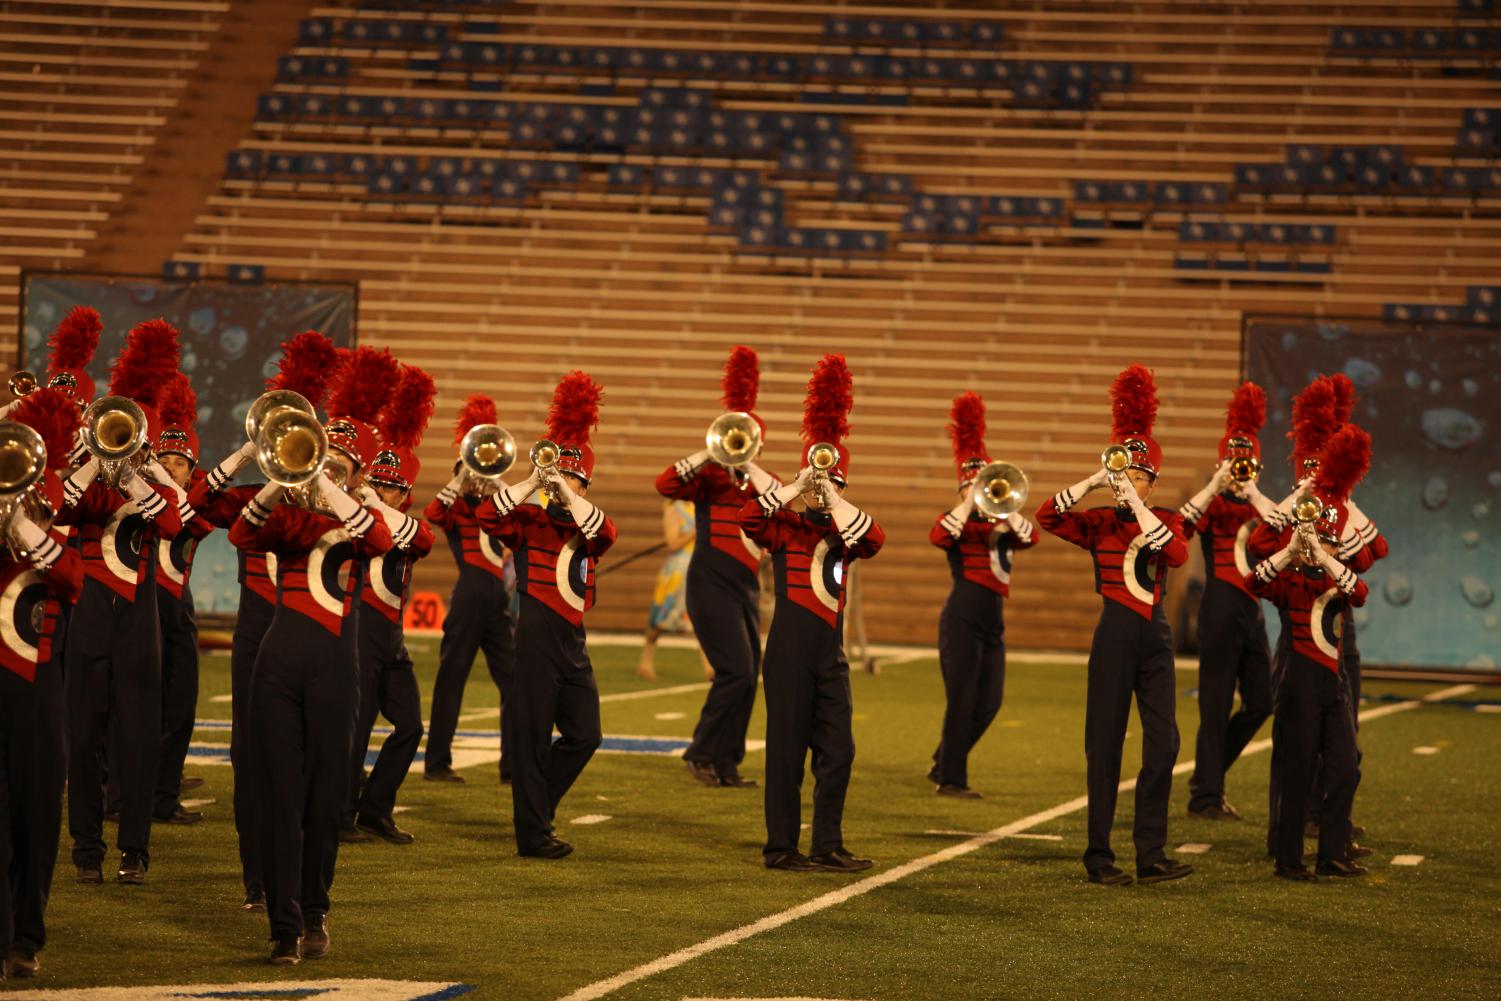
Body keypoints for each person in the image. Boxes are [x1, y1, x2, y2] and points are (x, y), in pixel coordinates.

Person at [230, 346, 397, 964]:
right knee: (279, 793)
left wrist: (328, 478)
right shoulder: (288, 520)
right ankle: (283, 927)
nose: (331, 466)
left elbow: (381, 540)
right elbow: (242, 532)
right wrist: (283, 477)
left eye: (344, 461)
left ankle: (316, 911)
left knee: (325, 799)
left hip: (334, 667)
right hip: (278, 663)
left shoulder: (360, 517)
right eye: (329, 455)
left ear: (352, 472)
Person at [190, 330, 342, 911]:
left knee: (311, 767)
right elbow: (196, 504)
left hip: (316, 635)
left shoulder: (327, 504)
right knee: (251, 758)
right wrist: (247, 457)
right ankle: (257, 876)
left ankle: (303, 886)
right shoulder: (254, 495)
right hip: (258, 632)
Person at [1036, 364, 1191, 887]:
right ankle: (1099, 855)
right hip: (1114, 635)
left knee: (1164, 743)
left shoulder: (1163, 517)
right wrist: (1096, 482)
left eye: (1141, 477)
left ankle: (1151, 853)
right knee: (1103, 745)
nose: (1133, 483)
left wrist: (1134, 503)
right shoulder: (1098, 521)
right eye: (1128, 474)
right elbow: (1046, 516)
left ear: (1153, 482)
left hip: (1156, 636)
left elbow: (1177, 551)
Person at [740, 353, 884, 873]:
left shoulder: (845, 534)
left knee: (838, 751)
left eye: (835, 481)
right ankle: (780, 848)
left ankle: (827, 843)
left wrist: (833, 494)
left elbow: (875, 539)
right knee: (785, 754)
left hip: (830, 652)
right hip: (788, 652)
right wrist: (800, 485)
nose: (827, 489)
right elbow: (751, 517)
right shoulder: (787, 528)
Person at [59, 319, 184, 886]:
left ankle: (135, 849)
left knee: (137, 737)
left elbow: (175, 519)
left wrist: (134, 471)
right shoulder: (81, 478)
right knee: (82, 737)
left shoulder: (150, 481)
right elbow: (58, 508)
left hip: (139, 616)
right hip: (85, 615)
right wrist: (91, 455)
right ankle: (87, 849)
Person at [477, 371, 617, 860]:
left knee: (586, 734)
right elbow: (488, 517)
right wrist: (534, 479)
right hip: (536, 632)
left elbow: (605, 532)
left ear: (585, 482)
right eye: (562, 474)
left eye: (574, 477)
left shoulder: (589, 522)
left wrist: (567, 489)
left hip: (571, 639)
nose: (564, 483)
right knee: (532, 739)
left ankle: (537, 809)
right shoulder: (530, 520)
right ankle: (532, 834)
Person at [1246, 424, 1372, 881]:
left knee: (1343, 767)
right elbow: (1253, 580)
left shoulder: (1334, 581)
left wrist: (1326, 551)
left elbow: (1360, 590)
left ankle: (1333, 853)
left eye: (1332, 541)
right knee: (1296, 770)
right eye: (1322, 540)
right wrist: (1290, 552)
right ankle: (1289, 858)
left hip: (1331, 684)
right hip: (1298, 680)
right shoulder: (1290, 581)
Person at [655, 346, 779, 786]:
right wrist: (710, 453)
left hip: (744, 585)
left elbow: (780, 498)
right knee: (735, 671)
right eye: (734, 439)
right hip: (710, 580)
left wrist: (747, 463)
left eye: (745, 439)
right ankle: (701, 752)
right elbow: (665, 483)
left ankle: (727, 762)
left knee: (749, 676)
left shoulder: (762, 486)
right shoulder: (706, 482)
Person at [0, 388, 83, 981]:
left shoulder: (47, 502)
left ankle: (27, 935)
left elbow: (72, 577)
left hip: (35, 679)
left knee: (34, 812)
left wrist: (21, 525)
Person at [342, 364, 436, 845]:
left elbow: (414, 538)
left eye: (391, 488)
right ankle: (341, 815)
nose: (381, 492)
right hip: (358, 628)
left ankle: (375, 808)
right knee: (354, 730)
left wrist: (367, 499)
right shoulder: (355, 517)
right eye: (377, 484)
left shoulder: (412, 527)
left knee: (410, 725)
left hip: (391, 638)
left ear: (406, 494)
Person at [927, 392, 1037, 799]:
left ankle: (944, 759)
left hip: (993, 620)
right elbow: (940, 535)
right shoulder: (955, 523)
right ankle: (952, 779)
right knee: (962, 700)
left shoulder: (1004, 525)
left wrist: (1002, 507)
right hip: (962, 617)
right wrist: (970, 498)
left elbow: (1031, 536)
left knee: (990, 702)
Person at [1179, 382, 1276, 822]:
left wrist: (1252, 490)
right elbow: (1181, 526)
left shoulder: (1260, 504)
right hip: (1219, 605)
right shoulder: (1213, 503)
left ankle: (1207, 774)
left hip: (1251, 609)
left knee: (1261, 700)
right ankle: (1205, 796)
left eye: (1246, 462)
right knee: (1215, 702)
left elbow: (1286, 527)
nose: (1240, 469)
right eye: (1233, 461)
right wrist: (1216, 483)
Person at [423, 394, 516, 784]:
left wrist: (495, 476)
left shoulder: (498, 501)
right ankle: (437, 762)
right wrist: (462, 474)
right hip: (471, 593)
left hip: (497, 598)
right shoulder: (457, 507)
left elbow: (521, 505)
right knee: (452, 677)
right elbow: (432, 513)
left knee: (514, 681)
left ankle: (513, 764)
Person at [150, 374, 215, 827]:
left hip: (178, 604)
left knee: (181, 703)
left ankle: (163, 792)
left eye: (180, 461)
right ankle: (120, 791)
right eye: (165, 458)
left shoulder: (197, 495)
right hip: (142, 603)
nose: (171, 466)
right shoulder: (140, 494)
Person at [634, 499, 700, 681]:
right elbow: (672, 543)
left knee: (701, 617)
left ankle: (709, 666)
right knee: (661, 618)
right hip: (678, 571)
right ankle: (645, 661)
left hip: (698, 567)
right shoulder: (674, 509)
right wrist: (695, 531)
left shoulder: (697, 506)